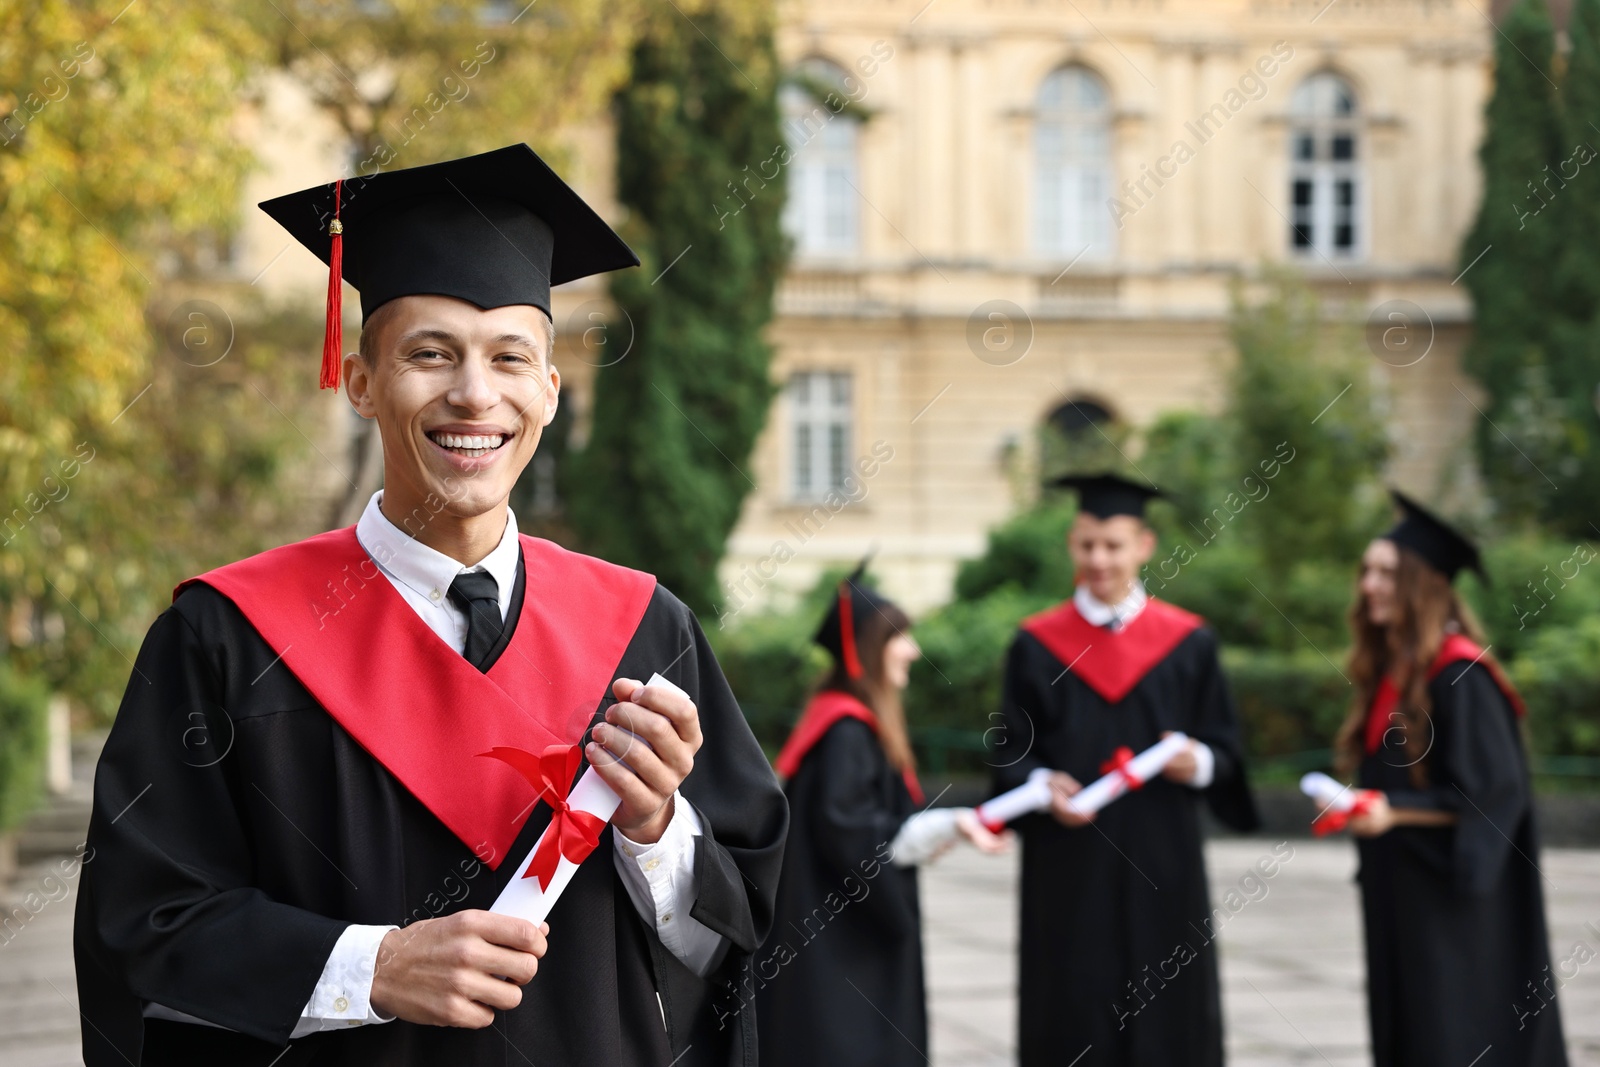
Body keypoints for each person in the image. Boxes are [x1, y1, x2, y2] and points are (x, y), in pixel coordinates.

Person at [73, 145, 789, 1067]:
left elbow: (732, 946)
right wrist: (371, 965)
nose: (474, 393)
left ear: (549, 391)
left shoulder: (647, 632)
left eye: (509, 358)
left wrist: (656, 833)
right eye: (430, 353)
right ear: (362, 381)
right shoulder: (225, 639)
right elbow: (142, 926)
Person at [991, 472, 1259, 1066]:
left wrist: (1198, 763)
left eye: (1113, 545)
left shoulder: (1188, 643)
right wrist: (1039, 784)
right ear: (1071, 545)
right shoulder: (1036, 645)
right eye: (1087, 545)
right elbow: (1010, 748)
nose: (1099, 559)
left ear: (1144, 545)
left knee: (1168, 995)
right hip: (1070, 859)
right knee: (1072, 992)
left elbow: (1226, 749)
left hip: (1162, 853)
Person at [1328, 490, 1567, 1066]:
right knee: (1408, 1025)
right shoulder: (1397, 671)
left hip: (1454, 900)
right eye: (1367, 571)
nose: (1369, 585)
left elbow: (1493, 794)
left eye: (1387, 573)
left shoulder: (1461, 675)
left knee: (1453, 1031)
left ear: (1423, 582)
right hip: (1402, 887)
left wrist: (1393, 812)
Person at [754, 562, 1008, 1067]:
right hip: (839, 947)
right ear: (869, 648)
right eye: (899, 637)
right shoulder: (846, 731)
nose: (912, 650)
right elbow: (854, 837)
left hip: (830, 938)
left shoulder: (838, 722)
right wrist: (943, 825)